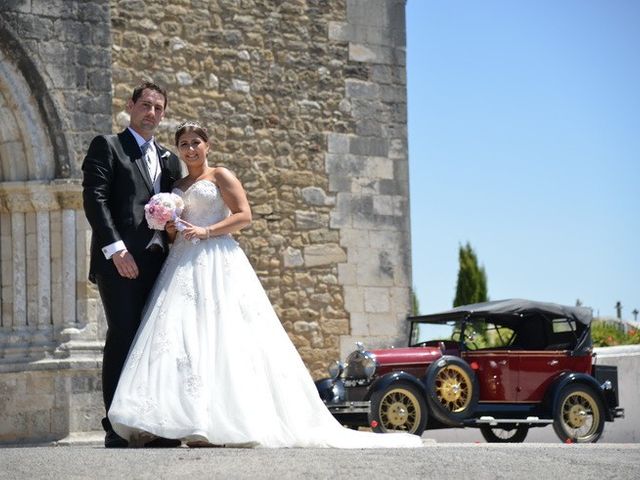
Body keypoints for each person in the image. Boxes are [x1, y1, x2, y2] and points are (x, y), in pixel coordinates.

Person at [107, 121, 424, 448]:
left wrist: (207, 231)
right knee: (181, 338)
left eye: (196, 142)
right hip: (182, 262)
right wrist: (168, 222)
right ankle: (185, 420)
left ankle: (223, 423)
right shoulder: (177, 184)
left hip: (217, 256)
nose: (190, 149)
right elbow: (175, 235)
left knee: (223, 336)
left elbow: (244, 215)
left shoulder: (220, 176)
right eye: (184, 143)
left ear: (207, 145)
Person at [82, 82, 183, 448]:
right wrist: (116, 249)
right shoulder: (107, 146)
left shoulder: (170, 159)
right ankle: (116, 426)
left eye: (158, 108)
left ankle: (153, 424)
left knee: (157, 342)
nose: (151, 113)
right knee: (123, 336)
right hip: (119, 263)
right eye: (145, 105)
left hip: (160, 263)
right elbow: (95, 199)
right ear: (131, 106)